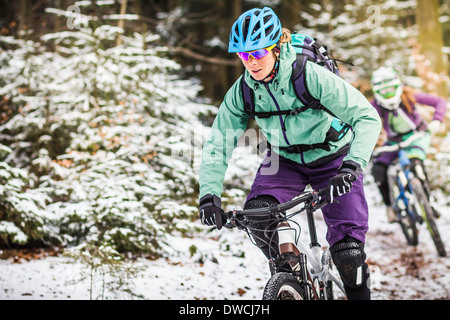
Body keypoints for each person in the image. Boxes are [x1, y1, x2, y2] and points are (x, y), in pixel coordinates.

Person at [198, 7, 381, 300]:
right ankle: (291, 273)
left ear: (275, 47)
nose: (251, 63)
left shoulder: (309, 75)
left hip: (333, 156)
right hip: (283, 160)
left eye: (257, 53)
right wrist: (209, 195)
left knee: (349, 254)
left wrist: (351, 166)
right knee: (259, 216)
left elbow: (367, 117)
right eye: (244, 56)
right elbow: (218, 142)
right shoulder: (242, 91)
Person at [370, 66, 447, 222]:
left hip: (417, 136)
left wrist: (437, 121)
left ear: (398, 85)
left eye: (391, 89)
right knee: (378, 170)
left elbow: (440, 101)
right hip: (393, 142)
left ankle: (428, 202)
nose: (388, 94)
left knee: (416, 164)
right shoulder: (375, 107)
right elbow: (362, 122)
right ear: (377, 91)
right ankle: (389, 207)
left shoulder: (409, 95)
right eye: (384, 91)